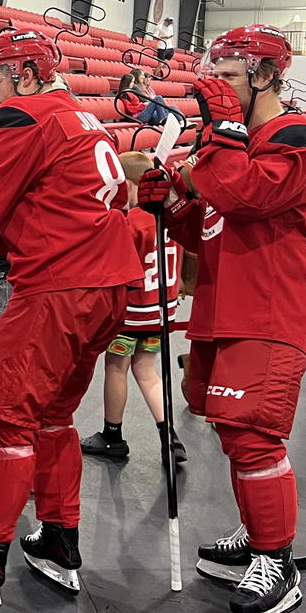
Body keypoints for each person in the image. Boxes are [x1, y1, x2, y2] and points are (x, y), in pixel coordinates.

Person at [0, 29, 138, 605]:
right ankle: (60, 536)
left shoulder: (26, 118)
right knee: (55, 415)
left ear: (28, 75)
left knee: (8, 415)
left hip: (58, 283)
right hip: (109, 284)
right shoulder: (86, 118)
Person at [139, 25, 306, 613]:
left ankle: (278, 561)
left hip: (271, 311)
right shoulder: (233, 141)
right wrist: (169, 202)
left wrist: (219, 137)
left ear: (267, 75)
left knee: (253, 435)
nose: (217, 91)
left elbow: (248, 193)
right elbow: (212, 225)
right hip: (225, 307)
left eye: (228, 78)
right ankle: (257, 534)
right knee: (231, 431)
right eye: (214, 80)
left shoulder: (295, 137)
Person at [79, 158, 186, 465]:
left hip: (131, 312)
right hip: (161, 312)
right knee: (146, 370)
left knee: (116, 367)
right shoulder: (170, 219)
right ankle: (169, 436)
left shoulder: (131, 222)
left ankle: (112, 436)